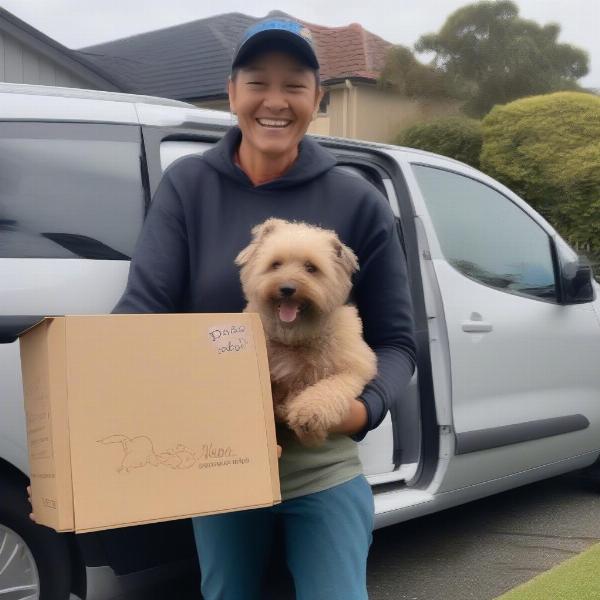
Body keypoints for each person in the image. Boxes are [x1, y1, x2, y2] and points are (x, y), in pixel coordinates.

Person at [27, 17, 417, 600]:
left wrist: (355, 413)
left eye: (295, 85)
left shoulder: (355, 200)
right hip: (216, 462)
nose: (275, 101)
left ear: (319, 98)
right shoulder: (189, 186)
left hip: (321, 465)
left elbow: (397, 344)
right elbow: (144, 310)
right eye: (257, 81)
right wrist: (77, 441)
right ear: (233, 91)